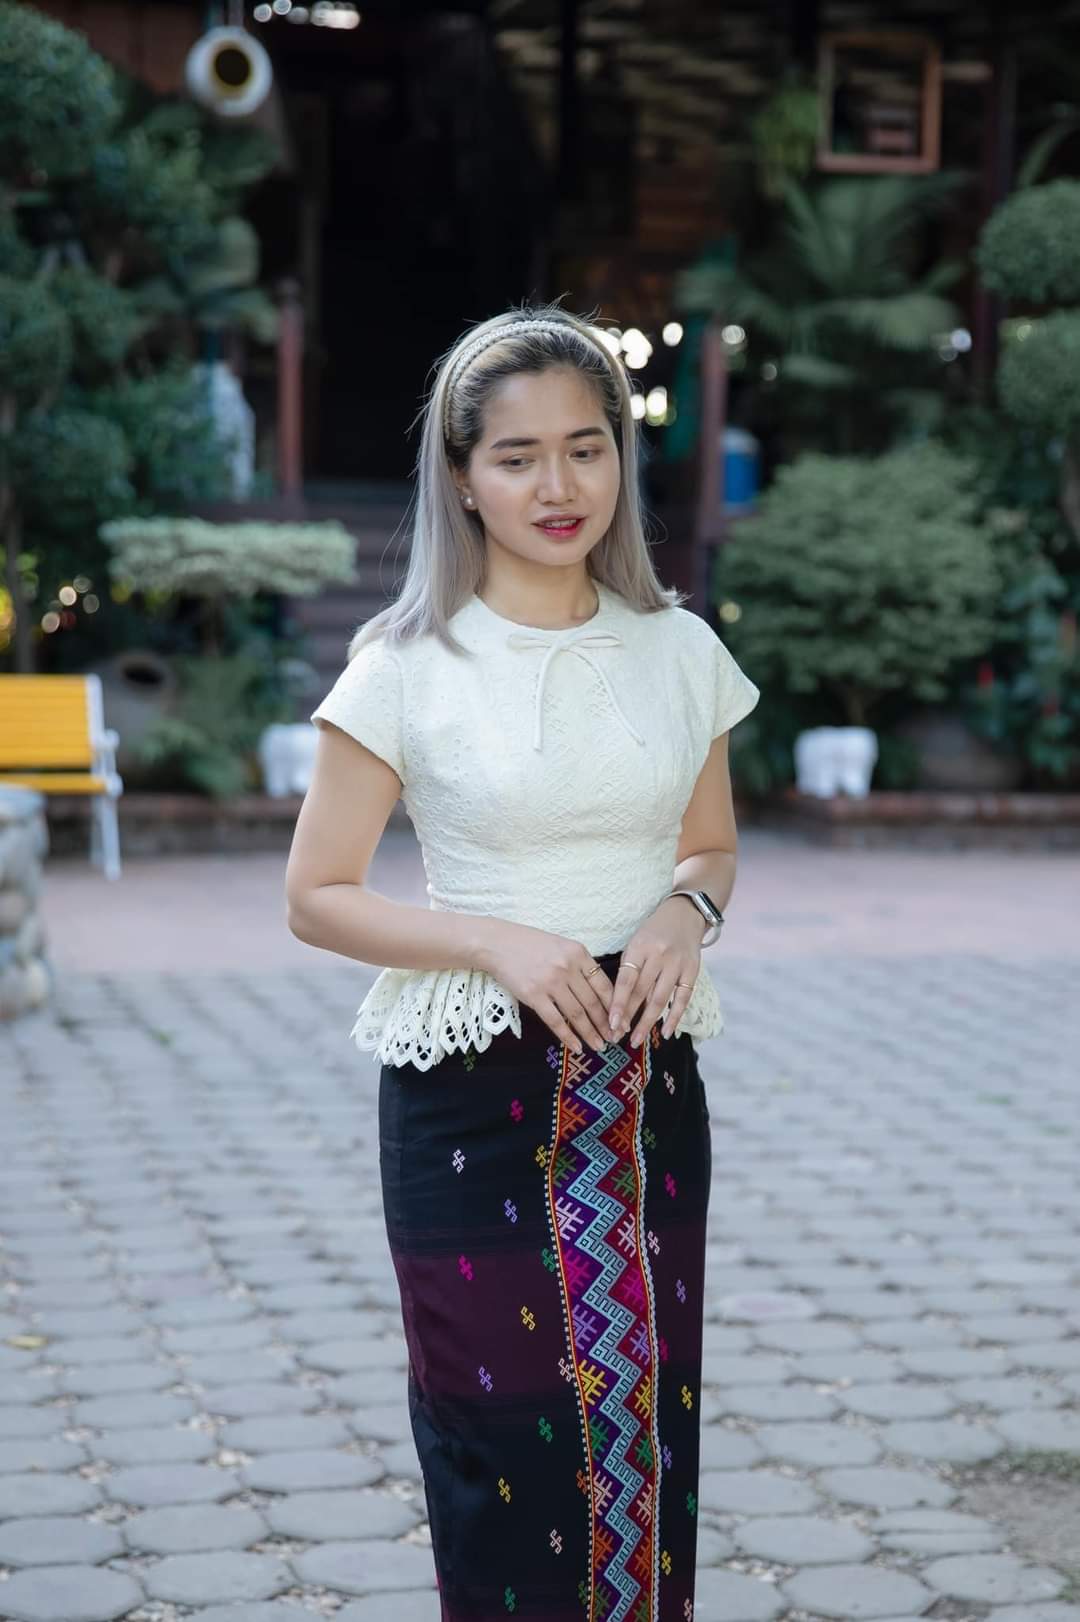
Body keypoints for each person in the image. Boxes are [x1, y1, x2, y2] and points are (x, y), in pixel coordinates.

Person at [286, 304, 760, 1621]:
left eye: (586, 447)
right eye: (517, 456)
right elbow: (316, 897)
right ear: (461, 477)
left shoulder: (680, 650)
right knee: (498, 1446)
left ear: (620, 457)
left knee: (644, 1424)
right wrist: (493, 937)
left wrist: (685, 913)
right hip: (470, 1096)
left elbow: (712, 846)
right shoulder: (404, 665)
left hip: (645, 1084)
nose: (559, 486)